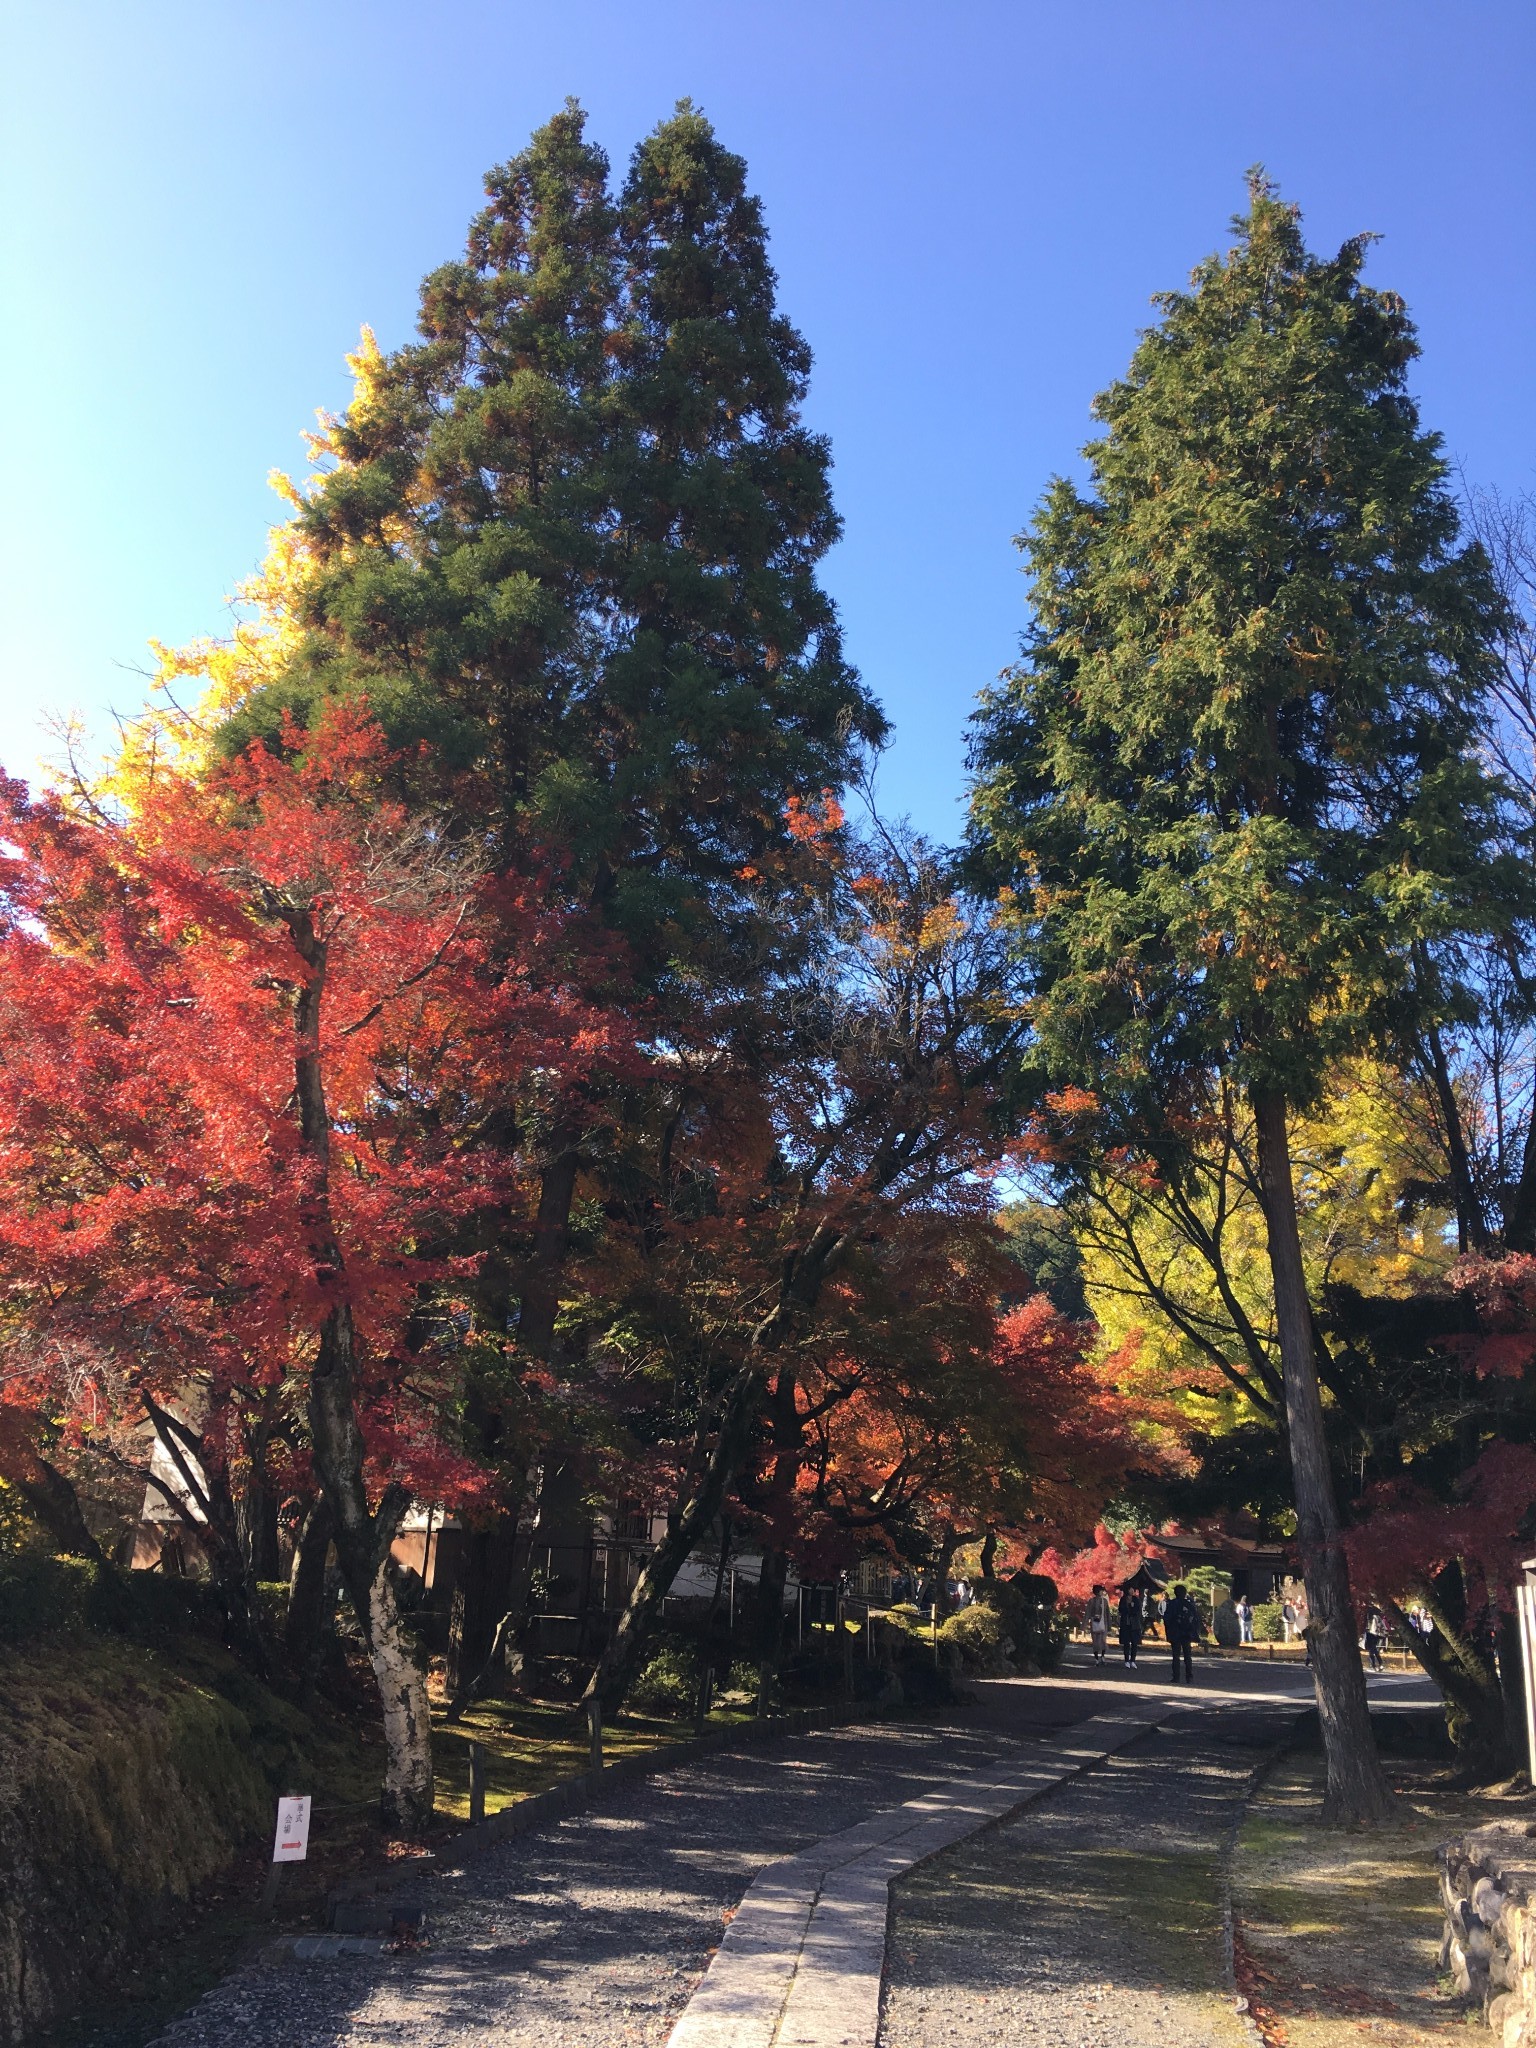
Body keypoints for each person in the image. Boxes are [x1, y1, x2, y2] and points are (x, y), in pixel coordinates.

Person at [1165, 1582, 1202, 1682]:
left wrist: (1169, 1630)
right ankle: (1189, 1676)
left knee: (1176, 1655)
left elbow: (1167, 1618)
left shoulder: (1172, 1604)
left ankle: (1176, 1676)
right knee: (1187, 1655)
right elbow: (1195, 1618)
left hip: (1175, 1632)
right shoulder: (1189, 1604)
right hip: (1187, 1632)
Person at [1117, 1584, 1144, 1669]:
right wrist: (1128, 1607)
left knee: (1134, 1643)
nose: (1132, 1591)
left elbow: (1138, 1610)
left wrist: (1132, 1608)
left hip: (1135, 1624)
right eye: (1131, 1589)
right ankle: (1126, 1660)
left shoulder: (1136, 1599)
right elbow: (1120, 1609)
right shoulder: (1123, 1599)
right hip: (1126, 1623)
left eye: (1133, 1589)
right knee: (1126, 1643)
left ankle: (1133, 1660)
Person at [1087, 1582, 1112, 1664]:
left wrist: (1109, 1625)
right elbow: (1088, 1613)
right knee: (1095, 1642)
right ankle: (1096, 1658)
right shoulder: (1091, 1601)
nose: (1102, 1592)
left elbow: (1107, 1613)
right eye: (1101, 1591)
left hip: (1103, 1623)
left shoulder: (1104, 1601)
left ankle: (1102, 1656)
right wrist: (1084, 1624)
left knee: (1103, 1641)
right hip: (1094, 1623)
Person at [1363, 1606, 1386, 1673]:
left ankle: (1374, 1665)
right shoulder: (1370, 1617)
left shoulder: (1374, 1617)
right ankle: (1379, 1664)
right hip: (1371, 1634)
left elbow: (1380, 1626)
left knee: (1372, 1651)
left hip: (1372, 1635)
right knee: (1374, 1650)